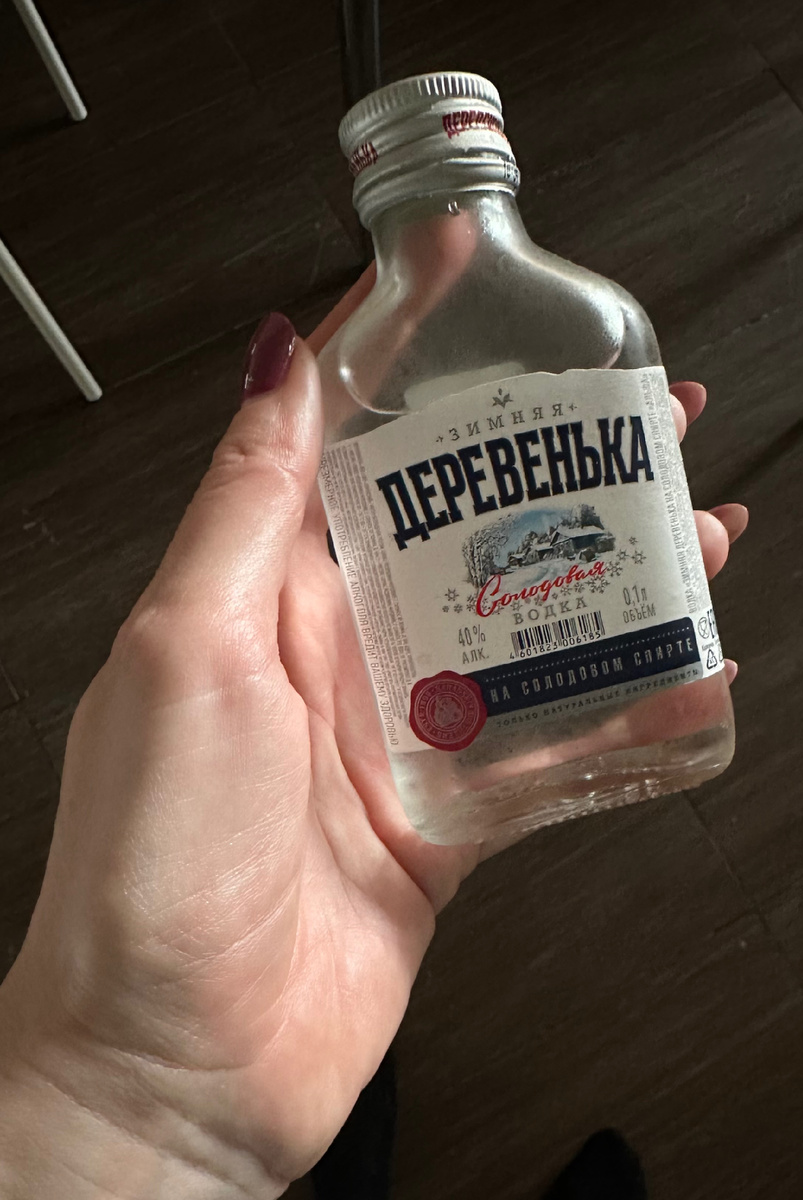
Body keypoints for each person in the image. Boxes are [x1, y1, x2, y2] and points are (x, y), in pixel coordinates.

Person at [0, 269, 747, 1198]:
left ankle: (339, 1163)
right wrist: (135, 1096)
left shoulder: (600, 318)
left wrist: (122, 1105)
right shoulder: (596, 317)